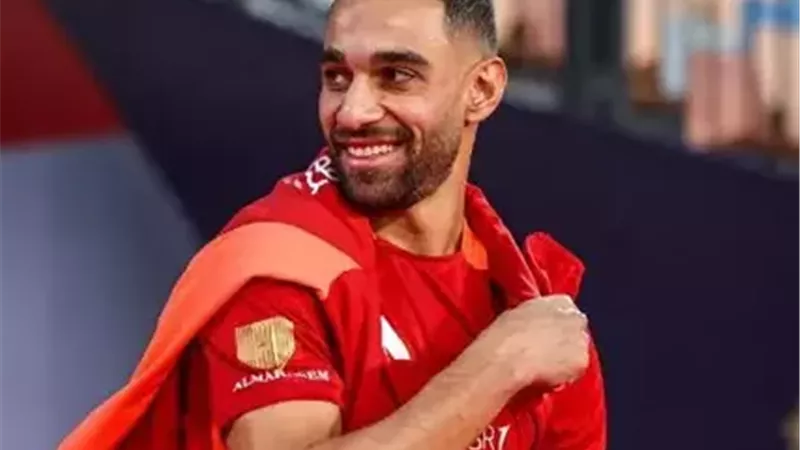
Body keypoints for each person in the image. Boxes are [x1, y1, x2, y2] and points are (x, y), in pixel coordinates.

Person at [59, 0, 606, 449]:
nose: (352, 111)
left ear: (481, 90)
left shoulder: (528, 296)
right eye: (337, 76)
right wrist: (497, 369)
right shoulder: (279, 265)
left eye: (396, 76)